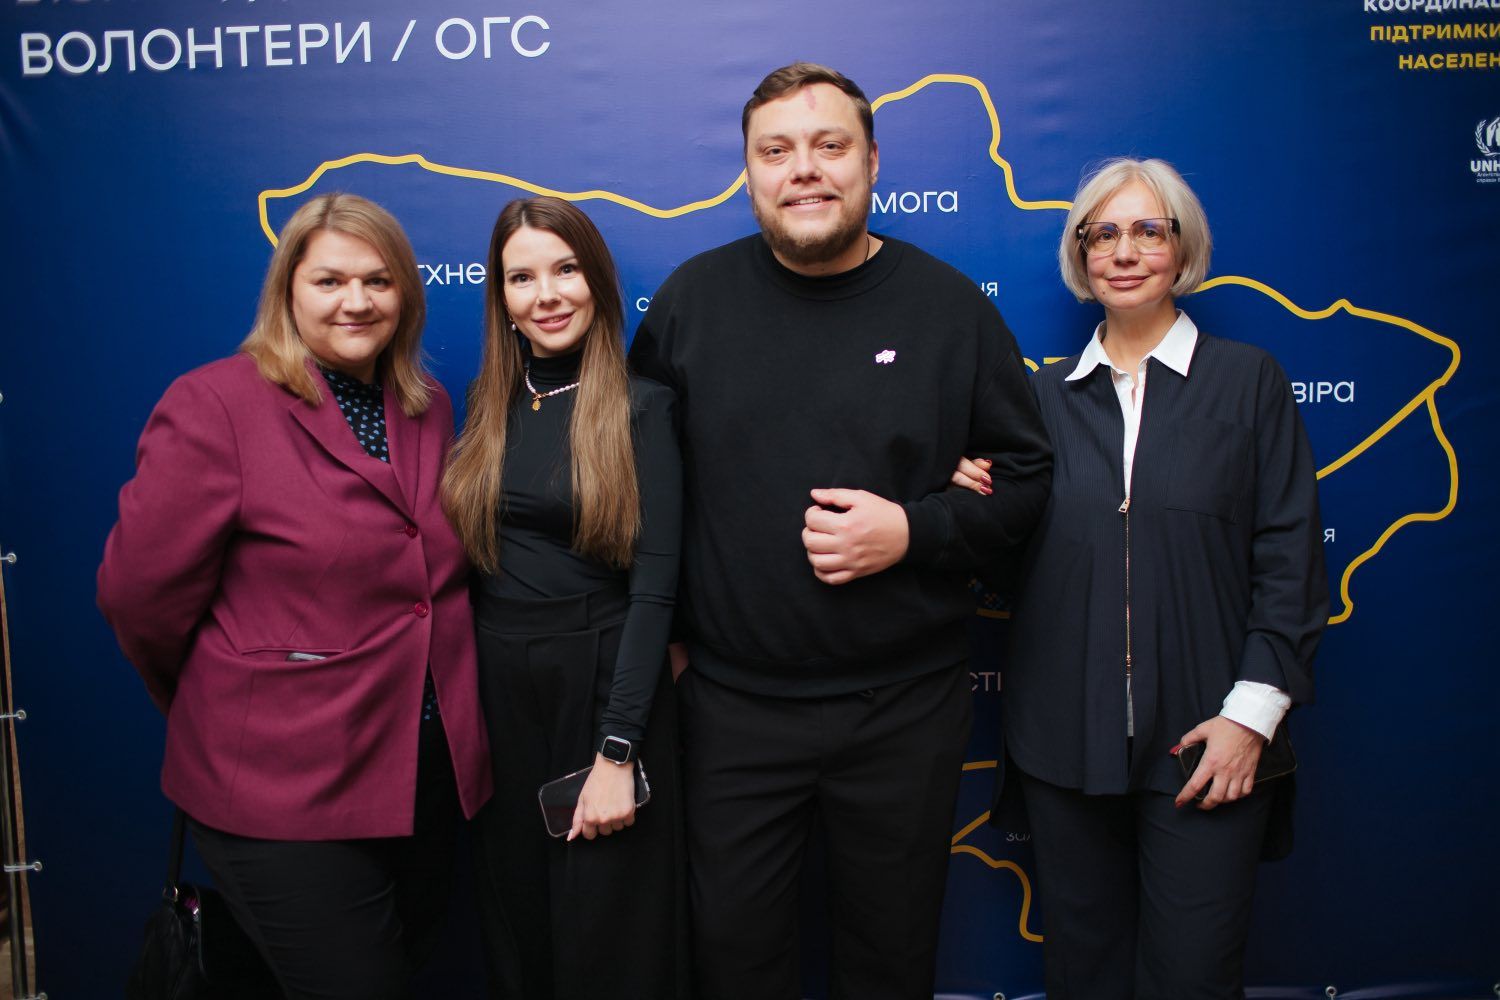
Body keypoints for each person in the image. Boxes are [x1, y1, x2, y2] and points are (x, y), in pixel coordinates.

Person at [628, 63, 1052, 1000]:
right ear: (749, 170)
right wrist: (679, 652)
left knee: (889, 966)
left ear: (872, 161)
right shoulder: (690, 306)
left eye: (830, 146)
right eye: (776, 151)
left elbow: (1027, 483)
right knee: (733, 965)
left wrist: (915, 529)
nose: (804, 171)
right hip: (732, 712)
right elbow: (640, 494)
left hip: (903, 710)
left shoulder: (949, 309)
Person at [97, 193, 493, 1000]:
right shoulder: (216, 405)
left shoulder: (426, 405)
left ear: (406, 295)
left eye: (378, 280)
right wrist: (227, 699)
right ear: (287, 291)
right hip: (283, 786)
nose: (357, 301)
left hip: (422, 779)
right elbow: (139, 599)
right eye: (330, 281)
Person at [961, 158, 1327, 999]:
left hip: (1207, 738)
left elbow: (1290, 558)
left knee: (1193, 977)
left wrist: (1251, 720)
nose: (1124, 252)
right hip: (1064, 742)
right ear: (1081, 256)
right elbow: (1011, 569)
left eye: (1148, 231)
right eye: (1103, 234)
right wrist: (970, 504)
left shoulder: (1249, 383)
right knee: (1082, 973)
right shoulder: (1041, 401)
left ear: (1182, 249)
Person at [442, 196, 686, 999]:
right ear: (501, 297)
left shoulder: (642, 407)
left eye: (566, 270)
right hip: (500, 698)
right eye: (522, 277)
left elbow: (655, 594)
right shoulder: (486, 403)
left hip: (601, 690)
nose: (546, 295)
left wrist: (617, 753)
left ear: (598, 282)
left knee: (608, 942)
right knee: (520, 934)